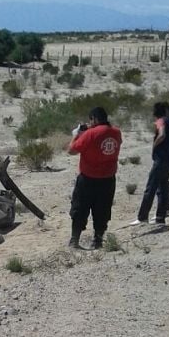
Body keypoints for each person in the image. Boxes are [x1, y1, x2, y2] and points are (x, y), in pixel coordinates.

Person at [67, 106, 123, 249]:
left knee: (79, 209)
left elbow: (71, 150)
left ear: (95, 119)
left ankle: (74, 240)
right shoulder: (116, 133)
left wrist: (76, 135)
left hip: (88, 179)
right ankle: (98, 240)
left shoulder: (90, 134)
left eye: (90, 120)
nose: (89, 123)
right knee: (103, 210)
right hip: (108, 179)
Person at [131, 102, 169, 225]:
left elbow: (162, 135)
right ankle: (160, 218)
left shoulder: (160, 121)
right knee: (163, 188)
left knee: (150, 188)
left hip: (160, 160)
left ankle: (142, 217)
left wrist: (154, 145)